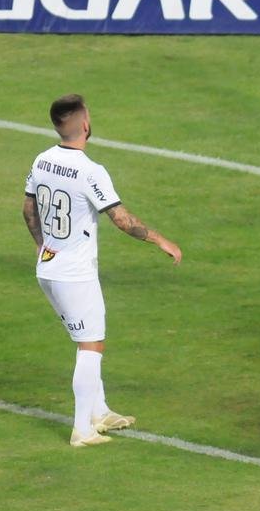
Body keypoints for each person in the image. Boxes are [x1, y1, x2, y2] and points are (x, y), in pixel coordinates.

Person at [23, 94, 182, 447]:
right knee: (91, 346)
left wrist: (40, 243)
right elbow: (122, 220)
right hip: (74, 273)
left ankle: (100, 410)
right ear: (84, 124)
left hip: (49, 268)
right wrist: (160, 240)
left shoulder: (42, 160)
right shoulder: (90, 171)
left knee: (87, 339)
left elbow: (28, 209)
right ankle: (82, 429)